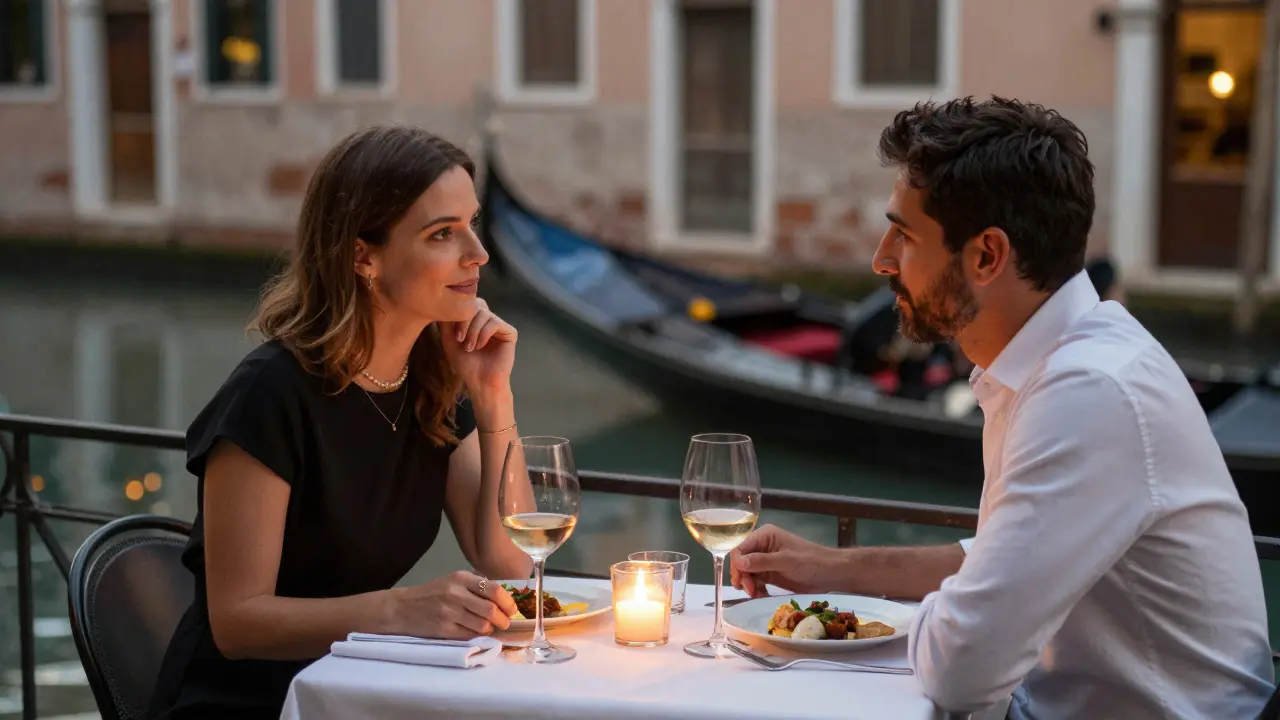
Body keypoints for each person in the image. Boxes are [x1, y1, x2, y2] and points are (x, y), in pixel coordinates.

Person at [730, 97, 1274, 718]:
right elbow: (1004, 561)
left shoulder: (1089, 393)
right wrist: (834, 568)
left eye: (904, 235)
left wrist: (961, 609)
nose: (881, 259)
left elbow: (962, 668)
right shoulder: (1057, 362)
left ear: (987, 255)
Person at [148, 125, 531, 720]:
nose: (477, 254)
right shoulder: (269, 393)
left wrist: (492, 395)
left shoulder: (433, 381)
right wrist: (399, 610)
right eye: (442, 234)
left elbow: (510, 558)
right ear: (363, 256)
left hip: (360, 692)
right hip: (245, 703)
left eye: (472, 224)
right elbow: (237, 622)